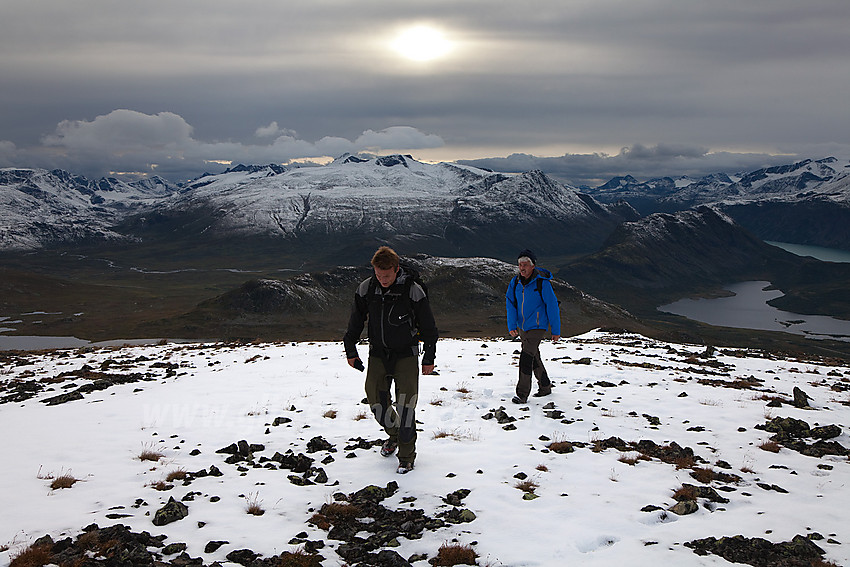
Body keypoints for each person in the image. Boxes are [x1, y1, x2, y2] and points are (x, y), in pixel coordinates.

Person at [343, 246, 438, 474]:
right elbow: (356, 320)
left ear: (396, 269)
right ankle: (393, 434)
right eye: (378, 274)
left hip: (406, 354)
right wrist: (350, 350)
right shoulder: (367, 288)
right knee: (376, 402)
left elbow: (428, 326)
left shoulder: (412, 290)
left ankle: (406, 455)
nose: (382, 279)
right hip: (378, 354)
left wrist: (429, 356)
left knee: (406, 406)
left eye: (386, 275)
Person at [505, 249, 561, 404]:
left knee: (526, 356)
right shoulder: (515, 282)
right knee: (534, 355)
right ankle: (545, 385)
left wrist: (555, 330)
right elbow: (510, 303)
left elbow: (552, 306)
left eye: (525, 264)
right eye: (520, 264)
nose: (522, 268)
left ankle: (522, 394)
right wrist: (512, 324)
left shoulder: (542, 284)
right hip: (522, 326)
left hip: (537, 326)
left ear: (533, 266)